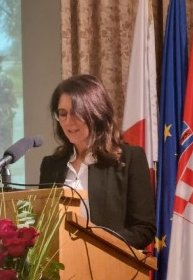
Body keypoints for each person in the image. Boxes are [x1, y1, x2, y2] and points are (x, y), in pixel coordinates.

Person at [38, 74, 156, 249]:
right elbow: (44, 224)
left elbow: (144, 229)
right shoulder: (51, 166)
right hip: (61, 269)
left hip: (109, 268)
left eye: (76, 112)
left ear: (96, 112)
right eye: (62, 114)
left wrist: (96, 243)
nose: (69, 121)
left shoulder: (129, 159)